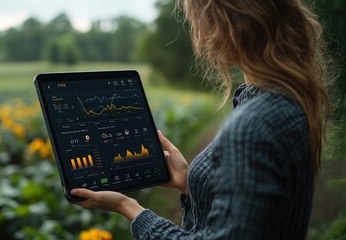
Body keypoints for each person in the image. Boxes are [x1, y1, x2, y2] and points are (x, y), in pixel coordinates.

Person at [71, 0, 332, 239]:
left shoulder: (255, 123)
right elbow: (255, 217)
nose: (199, 34)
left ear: (223, 27)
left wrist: (128, 207)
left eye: (198, 21)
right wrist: (189, 184)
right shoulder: (283, 98)